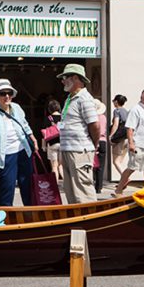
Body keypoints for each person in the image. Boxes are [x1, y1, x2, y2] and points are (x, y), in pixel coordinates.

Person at [0, 79, 38, 206]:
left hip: (24, 151)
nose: (7, 96)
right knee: (7, 187)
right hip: (6, 154)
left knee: (28, 186)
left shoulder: (16, 107)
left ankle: (31, 215)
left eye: (9, 93)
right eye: (2, 93)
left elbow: (25, 125)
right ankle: (5, 216)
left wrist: (33, 138)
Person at [56, 64, 99, 204]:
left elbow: (95, 125)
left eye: (65, 77)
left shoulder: (84, 98)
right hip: (69, 149)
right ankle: (77, 221)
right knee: (70, 190)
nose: (62, 81)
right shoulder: (70, 98)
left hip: (80, 150)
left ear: (75, 78)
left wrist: (94, 143)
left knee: (83, 190)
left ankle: (90, 221)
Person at [113, 89, 144, 197]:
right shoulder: (135, 110)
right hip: (139, 144)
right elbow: (130, 128)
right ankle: (118, 190)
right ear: (141, 97)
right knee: (132, 167)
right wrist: (131, 143)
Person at [41, 99, 63, 179]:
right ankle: (66, 185)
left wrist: (43, 146)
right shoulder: (62, 117)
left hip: (52, 144)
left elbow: (44, 133)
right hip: (62, 144)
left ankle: (55, 185)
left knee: (54, 166)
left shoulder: (48, 119)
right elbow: (63, 131)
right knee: (61, 166)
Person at [108, 94, 129, 179]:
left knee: (116, 161)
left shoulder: (117, 111)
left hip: (119, 139)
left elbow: (116, 124)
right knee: (120, 161)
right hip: (127, 138)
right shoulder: (126, 111)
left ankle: (125, 178)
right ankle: (122, 181)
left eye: (113, 101)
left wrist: (111, 136)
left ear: (116, 102)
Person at [93, 99, 107, 194]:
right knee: (101, 166)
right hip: (103, 141)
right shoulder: (103, 117)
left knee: (93, 165)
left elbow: (96, 131)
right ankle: (99, 186)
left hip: (95, 141)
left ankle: (94, 185)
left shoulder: (93, 118)